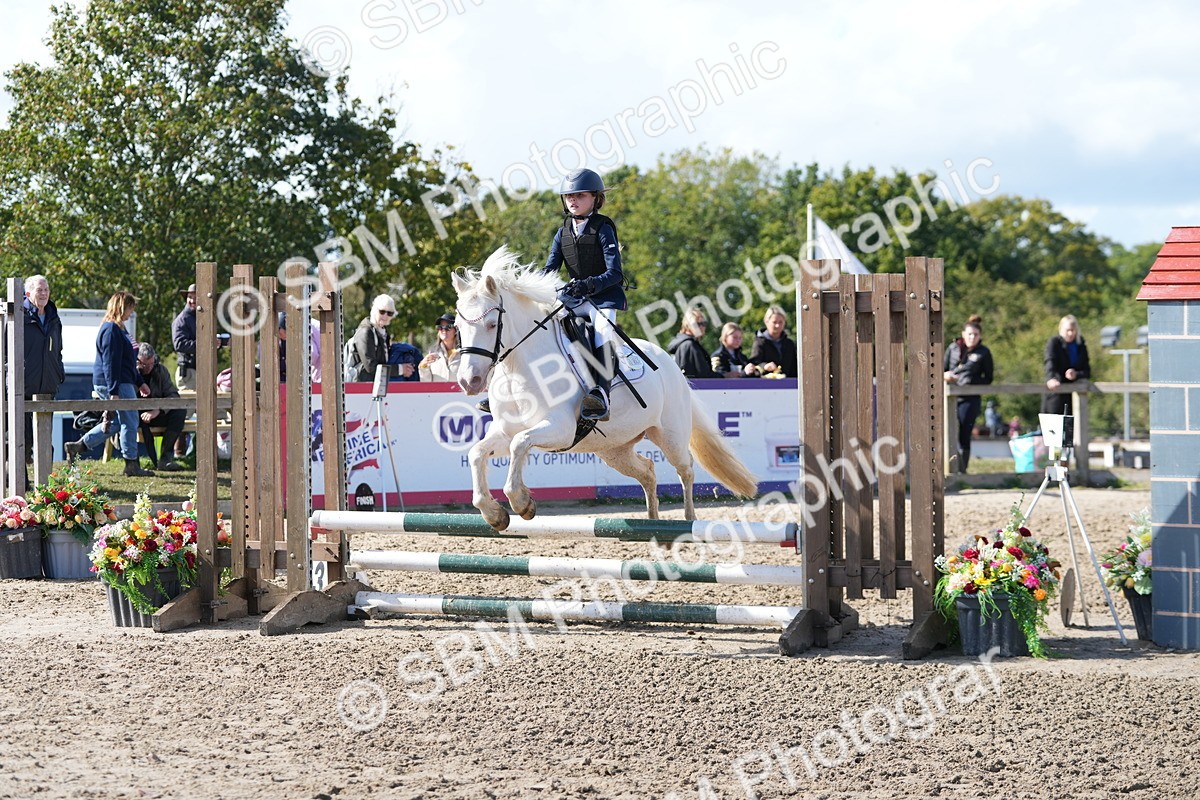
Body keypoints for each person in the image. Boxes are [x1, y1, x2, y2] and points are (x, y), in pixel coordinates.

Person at [542, 168, 626, 421]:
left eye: (579, 195)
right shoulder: (562, 232)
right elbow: (549, 269)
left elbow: (615, 273)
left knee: (602, 331)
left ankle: (602, 394)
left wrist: (588, 285)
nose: (573, 201)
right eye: (569, 196)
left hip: (602, 298)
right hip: (574, 299)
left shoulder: (603, 229)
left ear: (595, 198)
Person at [66, 292, 154, 477]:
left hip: (123, 381)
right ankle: (131, 464)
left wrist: (139, 382)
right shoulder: (111, 330)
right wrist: (114, 391)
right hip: (116, 383)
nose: (131, 312)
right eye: (130, 308)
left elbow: (127, 361)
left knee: (118, 422)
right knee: (130, 420)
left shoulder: (120, 329)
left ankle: (78, 446)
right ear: (123, 307)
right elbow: (110, 363)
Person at [22, 275, 65, 464]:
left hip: (47, 384)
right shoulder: (19, 315)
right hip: (22, 386)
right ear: (28, 293)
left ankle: (46, 486)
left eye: (46, 290)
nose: (44, 294)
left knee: (45, 437)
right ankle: (21, 483)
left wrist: (58, 373)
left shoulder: (53, 317)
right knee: (22, 439)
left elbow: (58, 350)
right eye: (40, 290)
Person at [943, 315, 993, 473]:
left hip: (970, 398)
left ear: (980, 336)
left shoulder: (984, 352)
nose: (972, 337)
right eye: (969, 334)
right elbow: (940, 369)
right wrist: (946, 375)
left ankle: (962, 469)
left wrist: (971, 381)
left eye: (976, 335)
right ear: (963, 334)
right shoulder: (952, 348)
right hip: (949, 396)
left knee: (964, 433)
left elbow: (988, 378)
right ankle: (948, 466)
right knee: (945, 430)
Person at [135, 343, 185, 471]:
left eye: (151, 364)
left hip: (157, 413)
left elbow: (173, 395)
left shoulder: (160, 370)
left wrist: (158, 410)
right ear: (138, 360)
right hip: (136, 416)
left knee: (179, 412)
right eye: (145, 364)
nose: (149, 368)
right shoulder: (132, 372)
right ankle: (133, 463)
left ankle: (165, 459)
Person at [1043, 314, 1090, 416]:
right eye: (1068, 330)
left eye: (1073, 330)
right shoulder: (1054, 343)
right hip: (1056, 393)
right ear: (1061, 329)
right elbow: (1050, 362)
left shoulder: (1080, 345)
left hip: (1075, 396)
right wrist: (1051, 378)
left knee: (1073, 428)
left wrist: (1075, 374)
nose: (1070, 333)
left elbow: (1087, 371)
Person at [348, 294, 395, 382]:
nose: (385, 316)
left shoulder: (383, 332)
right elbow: (370, 367)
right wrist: (400, 370)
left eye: (389, 313)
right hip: (361, 387)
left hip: (377, 384)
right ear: (374, 310)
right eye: (382, 311)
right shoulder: (366, 331)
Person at [667, 308, 719, 379]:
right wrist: (724, 376)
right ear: (688, 325)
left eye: (703, 323)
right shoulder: (689, 345)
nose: (701, 327)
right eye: (697, 324)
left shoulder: (686, 343)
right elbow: (703, 375)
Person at [749, 306, 798, 377]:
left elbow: (795, 366)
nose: (777, 325)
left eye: (780, 322)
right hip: (767, 385)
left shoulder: (789, 344)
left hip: (789, 385)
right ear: (766, 321)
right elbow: (754, 364)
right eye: (774, 322)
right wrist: (764, 366)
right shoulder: (759, 342)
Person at [276, 312, 323, 384]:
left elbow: (312, 354)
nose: (281, 337)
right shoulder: (300, 323)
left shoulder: (302, 327)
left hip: (323, 371)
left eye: (280, 333)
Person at [419, 312, 461, 382]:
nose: (444, 330)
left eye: (448, 327)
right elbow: (426, 382)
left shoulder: (465, 352)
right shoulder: (432, 351)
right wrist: (423, 366)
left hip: (459, 392)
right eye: (440, 327)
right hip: (438, 392)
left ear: (456, 330)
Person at [172, 283, 197, 391]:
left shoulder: (200, 317)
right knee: (190, 407)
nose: (192, 300)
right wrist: (205, 345)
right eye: (190, 297)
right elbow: (179, 344)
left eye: (196, 297)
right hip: (188, 372)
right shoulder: (182, 320)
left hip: (199, 370)